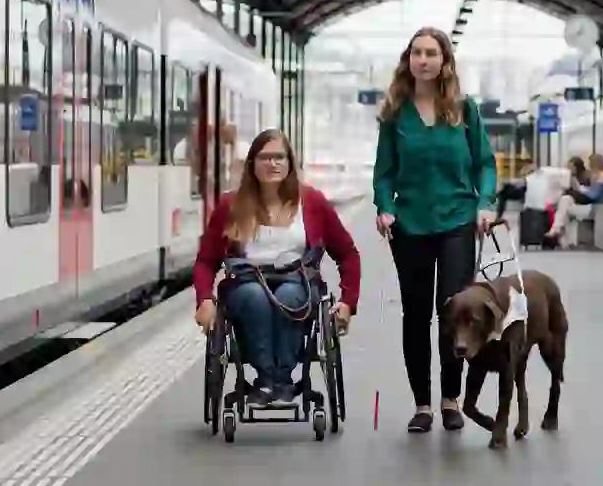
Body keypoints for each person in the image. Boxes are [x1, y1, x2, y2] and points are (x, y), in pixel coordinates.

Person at [372, 26, 498, 433]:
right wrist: (385, 208)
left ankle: (450, 399)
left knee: (453, 310)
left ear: (444, 61)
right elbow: (384, 173)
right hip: (409, 225)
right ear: (408, 59)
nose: (422, 59)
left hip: (458, 221)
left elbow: (486, 163)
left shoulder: (465, 109)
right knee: (415, 315)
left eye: (430, 53)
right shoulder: (396, 113)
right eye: (416, 52)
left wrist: (485, 203)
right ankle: (422, 404)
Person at [192, 129, 361, 405]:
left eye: (279, 157)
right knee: (254, 297)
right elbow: (206, 261)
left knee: (289, 297)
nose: (273, 164)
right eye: (265, 157)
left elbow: (347, 254)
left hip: (299, 281)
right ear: (252, 164)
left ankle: (279, 379)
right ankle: (268, 379)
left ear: (290, 163)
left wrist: (347, 302)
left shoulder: (313, 202)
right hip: (245, 283)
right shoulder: (230, 205)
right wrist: (204, 300)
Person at [545, 152, 603, 245]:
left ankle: (562, 237)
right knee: (566, 201)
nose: (589, 166)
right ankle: (560, 233)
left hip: (595, 207)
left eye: (590, 164)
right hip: (590, 205)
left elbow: (594, 195)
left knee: (565, 206)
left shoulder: (602, 176)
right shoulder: (599, 175)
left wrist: (580, 189)